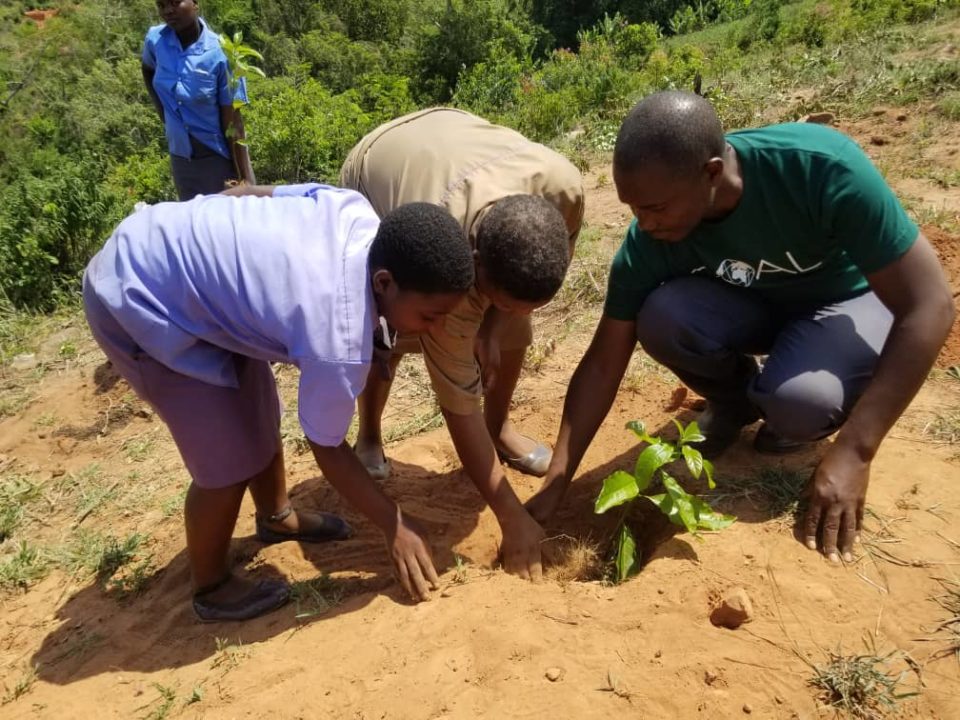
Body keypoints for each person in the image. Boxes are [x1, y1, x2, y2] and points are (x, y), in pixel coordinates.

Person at [527, 91, 954, 567]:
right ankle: (735, 405)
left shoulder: (818, 168)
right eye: (633, 209)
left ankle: (794, 404)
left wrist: (856, 449)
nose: (643, 223)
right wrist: (557, 485)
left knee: (799, 405)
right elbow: (605, 360)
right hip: (759, 307)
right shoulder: (653, 232)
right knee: (662, 317)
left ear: (711, 172)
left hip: (846, 301)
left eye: (655, 208)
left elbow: (930, 304)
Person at [83, 184, 474, 621]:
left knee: (258, 409)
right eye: (430, 316)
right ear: (384, 282)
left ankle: (275, 517)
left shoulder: (353, 212)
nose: (437, 331)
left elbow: (254, 193)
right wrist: (393, 523)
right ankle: (211, 586)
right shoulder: (337, 334)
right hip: (139, 295)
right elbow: (326, 444)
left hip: (184, 267)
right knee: (225, 459)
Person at [340, 107, 584, 581]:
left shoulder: (563, 190)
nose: (509, 310)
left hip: (451, 137)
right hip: (379, 167)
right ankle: (369, 435)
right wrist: (512, 517)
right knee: (386, 331)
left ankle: (501, 429)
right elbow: (457, 403)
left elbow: (519, 292)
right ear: (473, 266)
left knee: (511, 327)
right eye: (491, 297)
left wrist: (495, 324)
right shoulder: (443, 244)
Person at [142, 0, 255, 200]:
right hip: (181, 159)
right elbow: (148, 69)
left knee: (222, 225)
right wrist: (164, 114)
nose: (168, 11)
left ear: (195, 3)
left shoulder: (221, 54)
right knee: (191, 225)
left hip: (216, 160)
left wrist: (247, 181)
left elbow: (234, 123)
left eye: (175, 3)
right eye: (161, 5)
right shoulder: (155, 40)